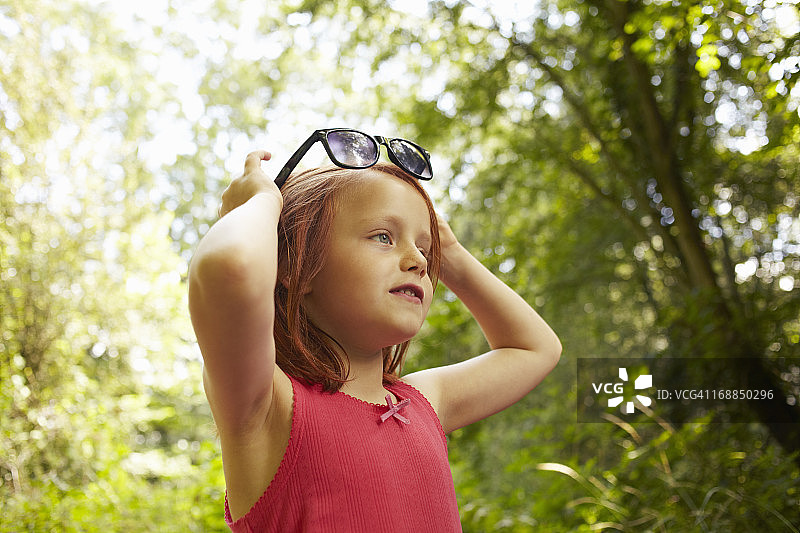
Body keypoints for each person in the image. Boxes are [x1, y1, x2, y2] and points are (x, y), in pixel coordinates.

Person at [188, 128, 562, 532]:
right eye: (383, 236)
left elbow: (535, 348)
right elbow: (231, 267)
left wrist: (449, 252)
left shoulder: (423, 403)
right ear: (296, 266)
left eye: (425, 248)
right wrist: (261, 202)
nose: (419, 261)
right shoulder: (266, 407)